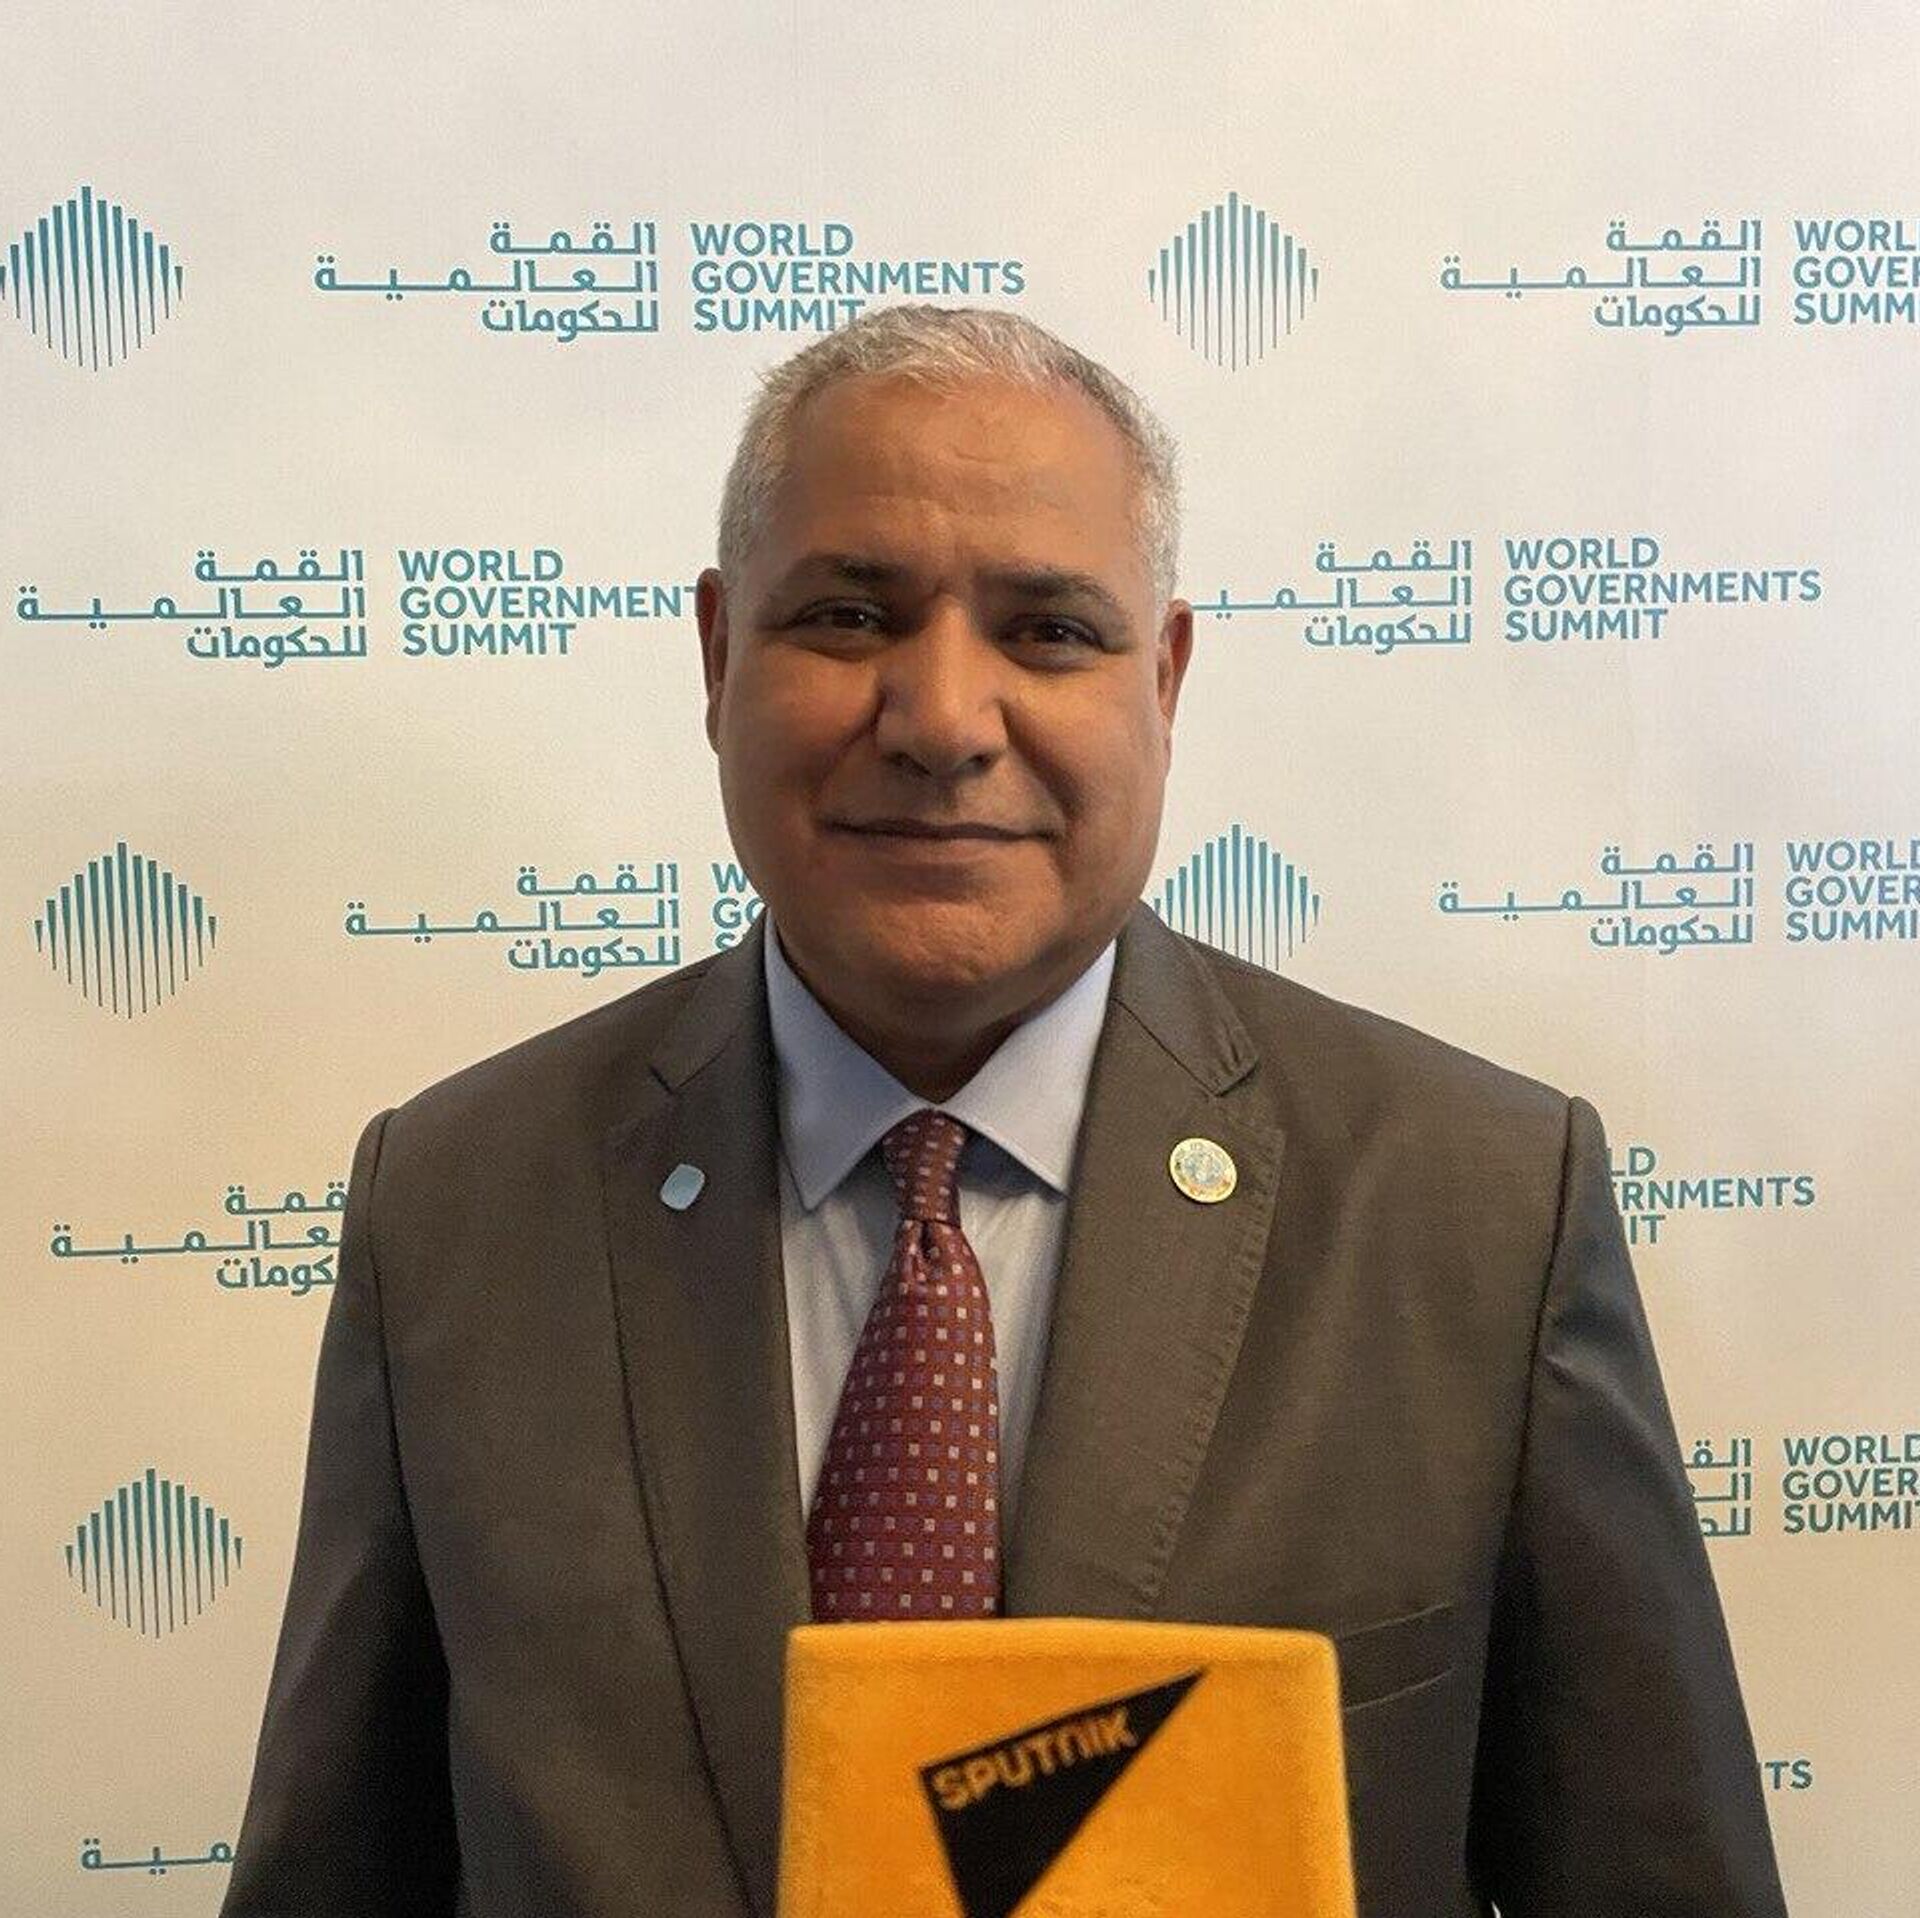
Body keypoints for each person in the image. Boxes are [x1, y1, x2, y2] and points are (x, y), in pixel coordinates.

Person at [222, 305, 1788, 1917]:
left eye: (1047, 631)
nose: (945, 719)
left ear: (1164, 677)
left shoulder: (1479, 1212)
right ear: (717, 654)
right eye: (849, 615)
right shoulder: (458, 1205)